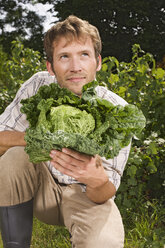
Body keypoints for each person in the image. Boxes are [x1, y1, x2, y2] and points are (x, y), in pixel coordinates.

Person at [0, 15, 131, 248]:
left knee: (104, 244)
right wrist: (37, 139)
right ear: (50, 66)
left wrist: (97, 180)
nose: (75, 67)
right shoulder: (38, 86)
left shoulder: (119, 111)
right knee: (13, 156)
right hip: (42, 191)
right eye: (64, 57)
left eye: (84, 55)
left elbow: (105, 192)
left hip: (87, 197)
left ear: (98, 62)